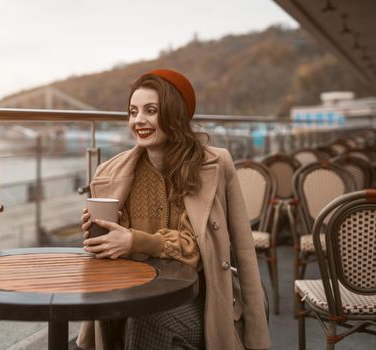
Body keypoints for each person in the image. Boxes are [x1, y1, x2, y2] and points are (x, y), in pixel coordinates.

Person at [76, 69, 271, 350]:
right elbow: (111, 255)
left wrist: (256, 333)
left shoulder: (215, 164)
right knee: (127, 315)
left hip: (202, 299)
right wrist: (103, 234)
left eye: (150, 110)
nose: (138, 120)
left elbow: (234, 249)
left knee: (145, 320)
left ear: (174, 114)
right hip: (135, 293)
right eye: (133, 112)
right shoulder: (110, 171)